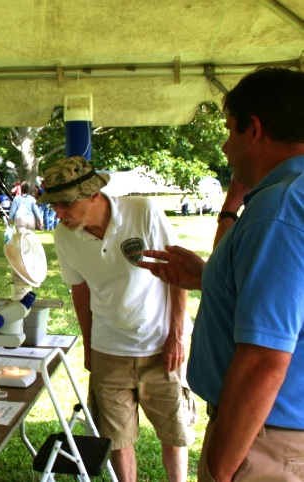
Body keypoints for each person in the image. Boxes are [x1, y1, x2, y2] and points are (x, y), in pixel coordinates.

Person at [138, 67, 304, 482]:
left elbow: (264, 361)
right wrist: (210, 277)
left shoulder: (280, 211)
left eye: (231, 131)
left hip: (265, 439)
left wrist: (220, 468)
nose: (226, 147)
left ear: (256, 130)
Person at [36, 156, 194, 482]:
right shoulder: (65, 236)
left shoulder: (143, 212)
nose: (58, 213)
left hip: (161, 345)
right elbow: (79, 291)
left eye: (66, 204)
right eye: (54, 205)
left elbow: (176, 273)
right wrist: (90, 346)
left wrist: (176, 337)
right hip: (109, 350)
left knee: (174, 433)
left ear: (93, 193)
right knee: (117, 438)